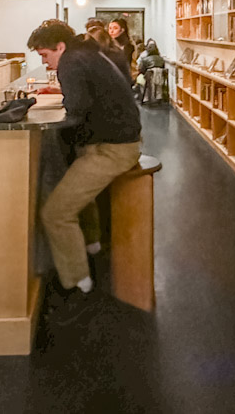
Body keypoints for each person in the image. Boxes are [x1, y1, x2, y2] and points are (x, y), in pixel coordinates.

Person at [27, 20, 141, 319]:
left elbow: (77, 108)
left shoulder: (72, 62)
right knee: (75, 183)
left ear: (59, 47)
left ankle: (79, 285)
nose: (45, 62)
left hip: (113, 149)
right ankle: (91, 249)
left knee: (55, 214)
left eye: (45, 55)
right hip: (120, 140)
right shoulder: (87, 53)